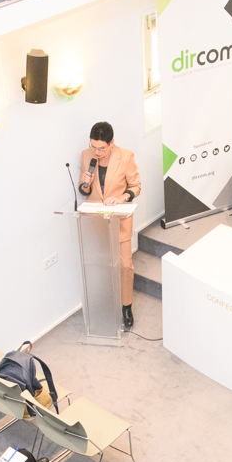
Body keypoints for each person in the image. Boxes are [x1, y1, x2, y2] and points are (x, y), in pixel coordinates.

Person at [78, 121, 141, 329]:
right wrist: (85, 182)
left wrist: (122, 198)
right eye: (93, 146)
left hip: (119, 220)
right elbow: (84, 190)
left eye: (101, 148)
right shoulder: (87, 156)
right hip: (96, 222)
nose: (97, 152)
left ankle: (126, 306)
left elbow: (136, 187)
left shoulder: (126, 157)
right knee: (102, 264)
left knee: (124, 265)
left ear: (111, 143)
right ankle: (104, 302)